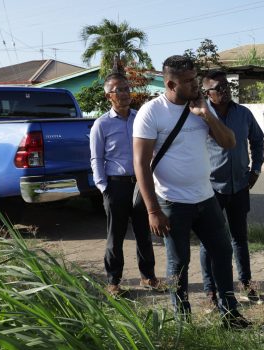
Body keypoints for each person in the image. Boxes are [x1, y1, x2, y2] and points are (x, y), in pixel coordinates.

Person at [132, 55, 250, 328]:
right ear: (171, 84)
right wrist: (153, 210)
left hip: (206, 198)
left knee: (222, 253)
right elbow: (140, 163)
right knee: (179, 264)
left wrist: (207, 115)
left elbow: (230, 142)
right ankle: (183, 321)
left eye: (195, 78)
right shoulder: (152, 112)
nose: (195, 84)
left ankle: (230, 314)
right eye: (188, 81)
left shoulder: (201, 107)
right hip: (172, 203)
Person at [89, 73, 164, 297]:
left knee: (144, 232)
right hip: (116, 186)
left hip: (140, 185)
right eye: (117, 90)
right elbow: (96, 159)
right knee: (116, 235)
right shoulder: (101, 125)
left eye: (125, 88)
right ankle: (113, 281)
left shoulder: (139, 118)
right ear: (108, 95)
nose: (123, 93)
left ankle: (148, 277)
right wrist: (104, 188)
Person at [200, 70, 264, 305]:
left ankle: (247, 284)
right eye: (218, 88)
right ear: (207, 92)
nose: (225, 91)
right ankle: (210, 290)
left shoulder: (243, 114)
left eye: (226, 86)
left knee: (240, 239)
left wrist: (255, 169)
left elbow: (258, 140)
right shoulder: (199, 116)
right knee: (210, 241)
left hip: (239, 186)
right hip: (210, 190)